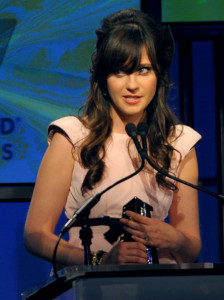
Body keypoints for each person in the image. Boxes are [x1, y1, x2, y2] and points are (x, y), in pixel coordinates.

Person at [24, 9, 201, 267]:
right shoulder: (72, 138)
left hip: (161, 286)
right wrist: (100, 261)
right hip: (91, 288)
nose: (132, 84)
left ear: (158, 76)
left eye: (143, 69)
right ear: (103, 78)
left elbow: (191, 248)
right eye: (120, 71)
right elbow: (35, 235)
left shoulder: (178, 143)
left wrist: (174, 240)